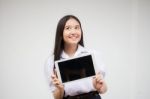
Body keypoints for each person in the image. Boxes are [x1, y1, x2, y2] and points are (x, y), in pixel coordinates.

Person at [45, 15, 107, 99]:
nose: (73, 32)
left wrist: (100, 86)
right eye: (68, 28)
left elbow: (103, 90)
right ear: (60, 33)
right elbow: (57, 97)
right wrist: (60, 88)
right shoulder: (52, 61)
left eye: (77, 27)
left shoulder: (93, 54)